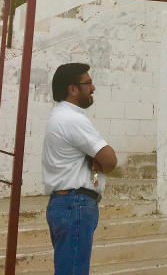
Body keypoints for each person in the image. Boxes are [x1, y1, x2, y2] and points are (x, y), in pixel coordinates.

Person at [42, 62, 117, 275]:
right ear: (72, 89)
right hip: (75, 204)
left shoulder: (61, 116)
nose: (93, 88)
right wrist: (99, 157)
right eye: (88, 83)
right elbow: (110, 160)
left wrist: (95, 156)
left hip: (67, 203)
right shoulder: (72, 119)